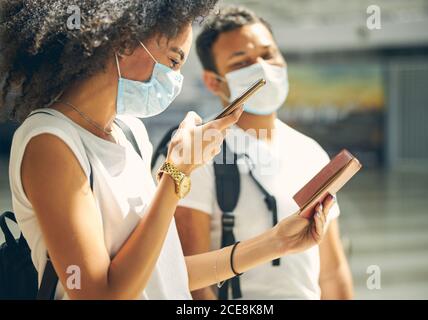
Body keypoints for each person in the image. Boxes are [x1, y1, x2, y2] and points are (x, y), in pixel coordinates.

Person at [1, 1, 334, 300]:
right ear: (126, 40)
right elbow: (100, 295)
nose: (174, 78)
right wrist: (178, 173)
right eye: (174, 60)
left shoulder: (129, 132)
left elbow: (163, 271)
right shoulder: (50, 142)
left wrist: (278, 242)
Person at [174, 6, 353, 300]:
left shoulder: (310, 151)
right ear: (212, 81)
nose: (262, 68)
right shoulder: (198, 154)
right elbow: (191, 284)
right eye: (241, 62)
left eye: (268, 54)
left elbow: (331, 272)